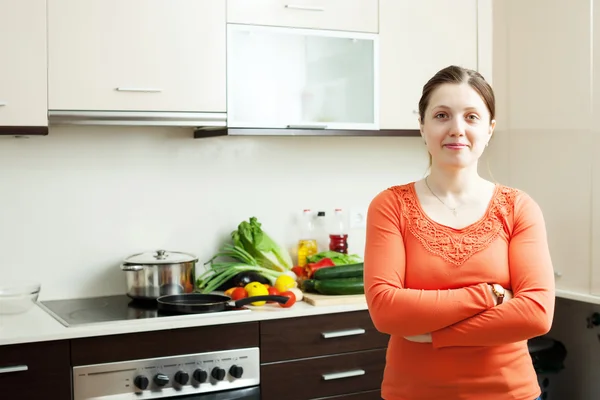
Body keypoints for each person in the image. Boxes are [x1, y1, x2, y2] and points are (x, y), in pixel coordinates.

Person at [364, 65, 555, 400]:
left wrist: (436, 335)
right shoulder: (390, 205)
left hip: (509, 394)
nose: (456, 129)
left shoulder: (518, 207)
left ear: (490, 129)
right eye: (441, 115)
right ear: (422, 126)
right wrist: (491, 295)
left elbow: (536, 314)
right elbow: (386, 309)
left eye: (471, 117)